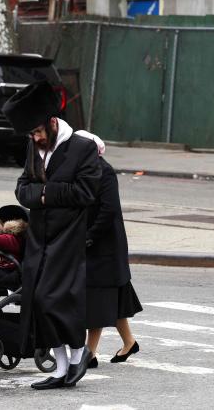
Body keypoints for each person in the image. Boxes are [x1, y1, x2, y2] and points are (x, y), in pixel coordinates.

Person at [3, 80, 101, 389]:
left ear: (52, 122)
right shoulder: (34, 146)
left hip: (68, 237)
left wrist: (44, 193)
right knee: (37, 301)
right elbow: (22, 187)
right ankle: (61, 369)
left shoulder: (82, 147)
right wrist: (42, 194)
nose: (35, 138)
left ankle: (78, 353)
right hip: (40, 237)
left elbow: (85, 192)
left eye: (37, 132)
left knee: (55, 299)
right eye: (31, 134)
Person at [73, 130, 143, 369]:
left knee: (98, 300)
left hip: (105, 245)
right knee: (113, 298)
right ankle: (129, 342)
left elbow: (109, 209)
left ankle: (89, 354)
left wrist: (89, 237)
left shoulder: (104, 171)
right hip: (93, 243)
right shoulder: (83, 171)